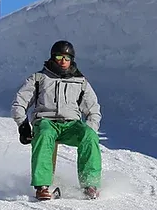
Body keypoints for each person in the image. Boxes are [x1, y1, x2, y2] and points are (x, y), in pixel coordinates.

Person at [11, 40, 102, 200]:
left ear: (72, 60)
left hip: (71, 125)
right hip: (46, 121)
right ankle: (42, 186)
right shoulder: (39, 78)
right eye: (60, 56)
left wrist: (90, 128)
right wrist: (23, 125)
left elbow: (93, 110)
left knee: (90, 135)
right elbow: (19, 102)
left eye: (67, 58)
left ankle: (90, 184)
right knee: (45, 134)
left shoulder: (80, 81)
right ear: (53, 57)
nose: (63, 61)